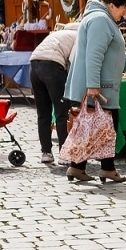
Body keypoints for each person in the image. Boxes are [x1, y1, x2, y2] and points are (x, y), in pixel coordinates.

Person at [64, 0, 126, 183]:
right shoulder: (101, 21)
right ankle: (105, 168)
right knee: (106, 126)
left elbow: (119, 54)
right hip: (101, 87)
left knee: (97, 127)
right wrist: (93, 85)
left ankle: (80, 167)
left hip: (104, 85)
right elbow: (94, 55)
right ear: (112, 5)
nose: (124, 13)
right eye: (123, 8)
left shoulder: (104, 20)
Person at [30, 21, 79, 163]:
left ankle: (46, 152)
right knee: (61, 112)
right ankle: (64, 154)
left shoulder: (59, 33)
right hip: (52, 66)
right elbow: (73, 62)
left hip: (34, 64)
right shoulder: (79, 36)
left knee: (43, 113)